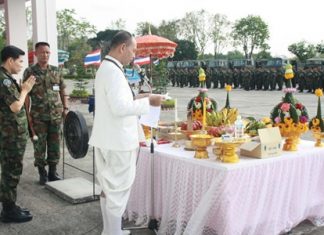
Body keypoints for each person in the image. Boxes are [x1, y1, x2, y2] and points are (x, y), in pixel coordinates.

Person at [88, 30, 163, 235]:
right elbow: (120, 108)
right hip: (118, 141)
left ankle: (110, 230)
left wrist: (140, 96)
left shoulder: (108, 67)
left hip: (108, 139)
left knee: (108, 189)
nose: (134, 55)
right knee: (117, 192)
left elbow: (119, 101)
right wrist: (148, 102)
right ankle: (113, 233)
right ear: (122, 47)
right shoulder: (113, 71)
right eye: (133, 50)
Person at [23, 42, 68, 185]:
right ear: (36, 54)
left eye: (48, 52)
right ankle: (42, 173)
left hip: (56, 116)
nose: (45, 55)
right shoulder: (30, 72)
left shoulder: (56, 71)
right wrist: (27, 114)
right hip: (38, 117)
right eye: (42, 52)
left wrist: (65, 108)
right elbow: (26, 95)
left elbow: (62, 91)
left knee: (55, 145)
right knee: (39, 146)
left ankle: (53, 172)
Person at [0, 45, 36, 222]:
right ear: (10, 60)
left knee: (11, 169)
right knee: (11, 171)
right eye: (20, 61)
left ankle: (10, 205)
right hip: (10, 136)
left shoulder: (7, 78)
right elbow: (15, 106)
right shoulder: (4, 80)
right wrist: (24, 91)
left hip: (12, 134)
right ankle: (8, 211)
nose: (22, 65)